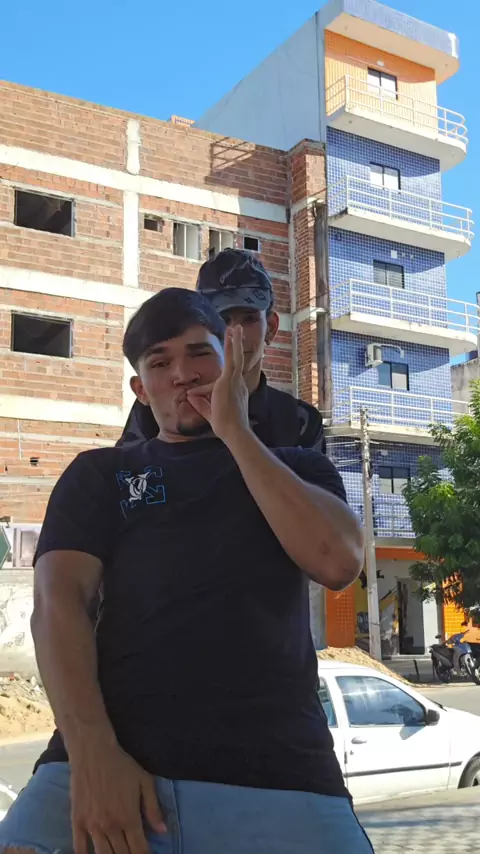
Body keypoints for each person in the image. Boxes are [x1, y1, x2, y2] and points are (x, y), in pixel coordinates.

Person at [0, 288, 372, 854]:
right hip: (107, 769)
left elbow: (338, 562)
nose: (183, 374)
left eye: (200, 353)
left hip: (282, 780)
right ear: (140, 390)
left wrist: (237, 432)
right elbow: (58, 606)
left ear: (231, 362)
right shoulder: (100, 475)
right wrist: (92, 751)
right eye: (160, 362)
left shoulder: (299, 467)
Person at [119, 248, 326, 452]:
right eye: (222, 320)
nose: (236, 334)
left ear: (270, 328)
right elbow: (127, 469)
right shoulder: (165, 406)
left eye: (249, 319)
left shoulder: (298, 420)